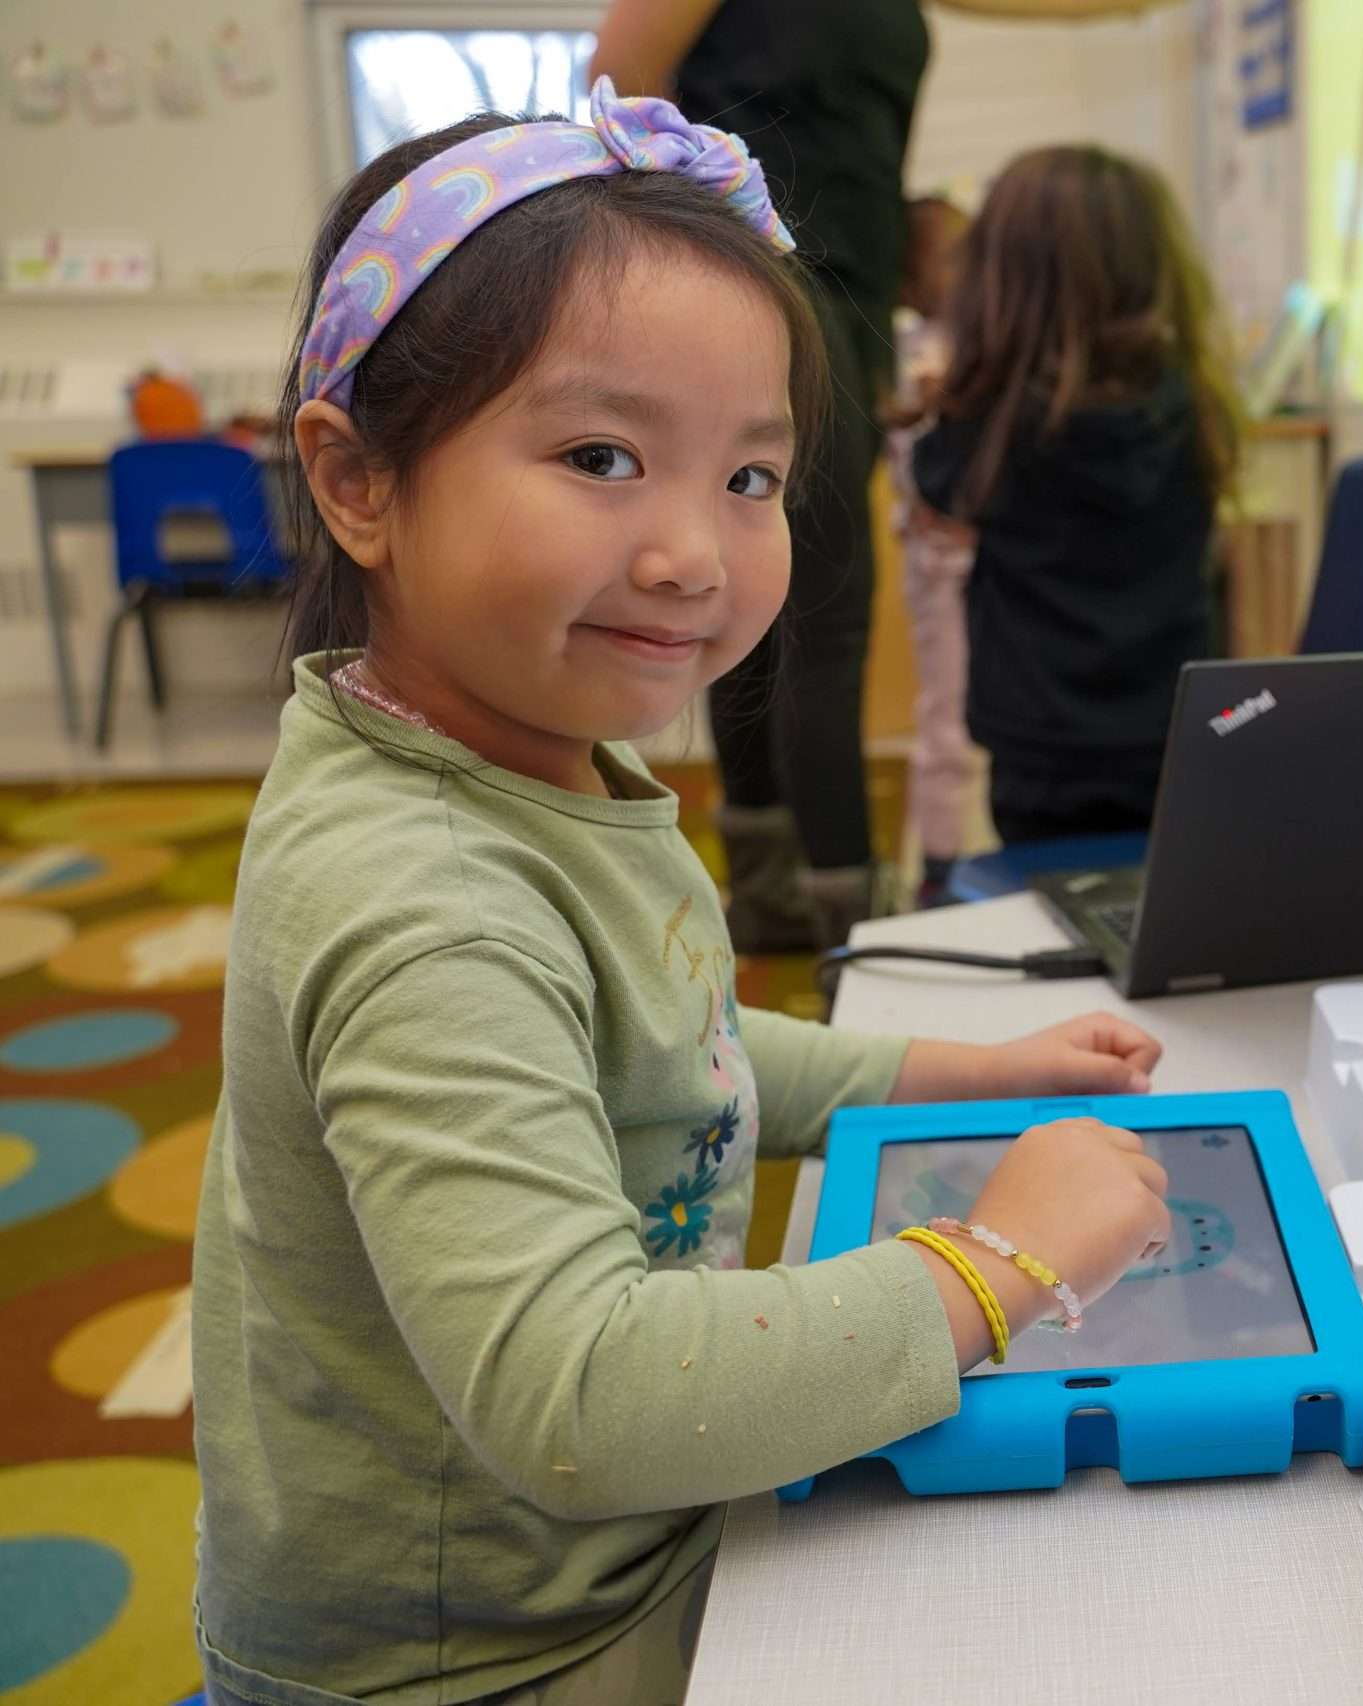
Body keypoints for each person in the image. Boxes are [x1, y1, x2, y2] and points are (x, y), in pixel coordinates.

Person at [196, 85, 1172, 1705]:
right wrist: (1000, 1268)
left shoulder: (533, 752)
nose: (693, 556)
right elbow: (578, 1394)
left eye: (750, 478)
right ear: (358, 483)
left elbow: (680, 1057)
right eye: (601, 457)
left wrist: (964, 1073)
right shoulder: (423, 895)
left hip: (614, 1550)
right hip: (484, 1657)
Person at [594, 0, 931, 951]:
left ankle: (780, 897)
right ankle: (852, 930)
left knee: (779, 612)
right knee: (816, 622)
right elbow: (618, 86)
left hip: (852, 301)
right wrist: (697, 274)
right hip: (766, 286)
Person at [912, 145, 1244, 845]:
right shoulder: (1192, 406)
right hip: (1182, 730)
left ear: (1002, 280)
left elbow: (935, 485)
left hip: (1039, 752)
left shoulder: (990, 423)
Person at [885, 193, 977, 902]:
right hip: (939, 566)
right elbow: (899, 428)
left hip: (988, 562)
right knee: (944, 718)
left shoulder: (991, 341)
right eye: (945, 257)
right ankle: (939, 871)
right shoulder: (908, 348)